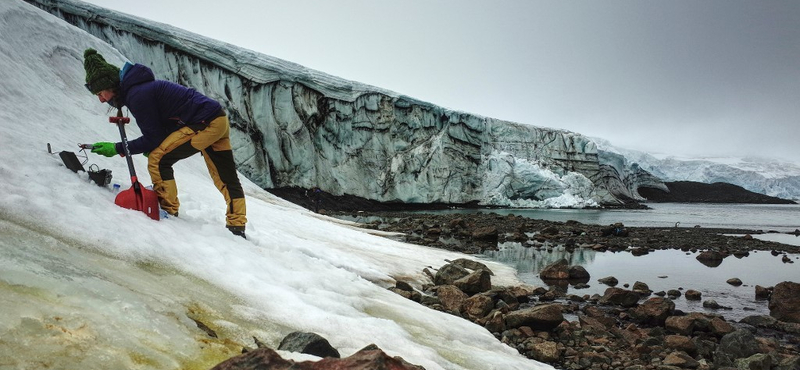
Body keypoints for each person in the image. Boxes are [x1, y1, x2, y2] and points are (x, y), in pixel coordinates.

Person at [82, 48, 247, 238]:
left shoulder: (137, 95)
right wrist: (150, 144)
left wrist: (117, 148)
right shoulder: (139, 90)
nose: (102, 100)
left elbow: (154, 138)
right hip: (217, 119)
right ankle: (237, 227)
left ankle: (168, 213)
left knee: (158, 159)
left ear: (111, 86)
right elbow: (163, 128)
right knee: (226, 177)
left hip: (204, 122)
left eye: (101, 93)